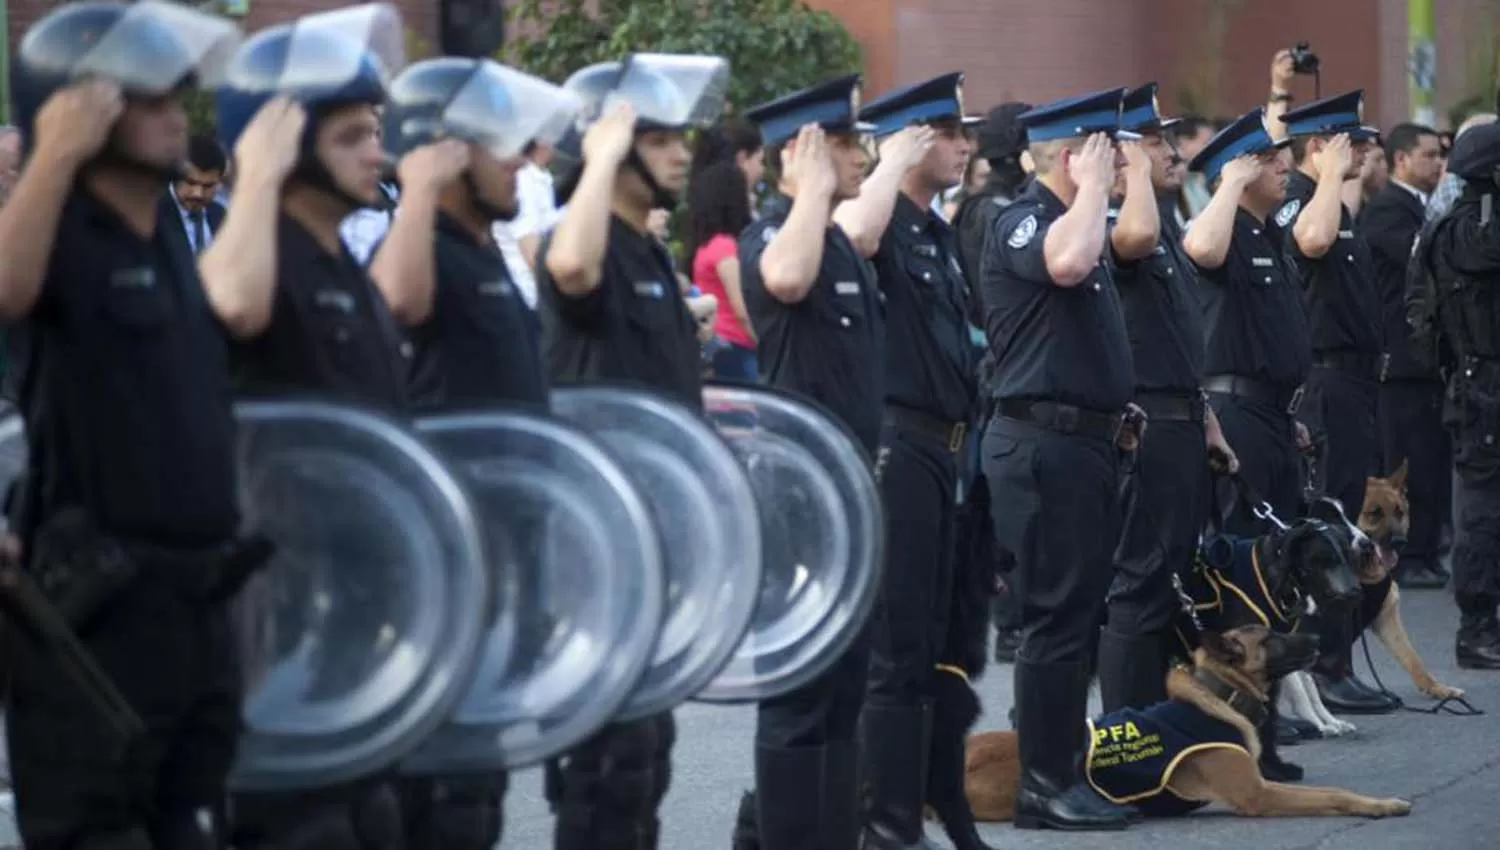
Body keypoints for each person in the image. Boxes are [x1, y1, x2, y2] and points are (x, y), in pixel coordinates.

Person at [0, 3, 256, 848]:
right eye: (147, 98)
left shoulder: (163, 238)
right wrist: (56, 149)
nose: (173, 113)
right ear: (84, 106)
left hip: (195, 608)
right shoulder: (57, 231)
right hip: (100, 613)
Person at [205, 8, 415, 846]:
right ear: (289, 145)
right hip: (282, 627)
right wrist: (254, 178)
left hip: (363, 612)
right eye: (352, 136)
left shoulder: (345, 268)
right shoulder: (259, 257)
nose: (378, 152)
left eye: (376, 132)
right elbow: (228, 306)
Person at [364, 56, 581, 849]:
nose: (524, 161)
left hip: (507, 552)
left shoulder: (484, 251)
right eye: (501, 147)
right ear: (447, 152)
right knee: (439, 795)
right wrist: (418, 187)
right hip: (448, 564)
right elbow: (394, 299)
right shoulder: (429, 246)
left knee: (478, 789)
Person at [536, 52, 728, 850]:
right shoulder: (583, 243)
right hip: (595, 549)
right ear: (609, 146)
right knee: (601, 771)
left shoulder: (648, 251)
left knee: (646, 760)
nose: (682, 152)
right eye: (659, 138)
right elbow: (572, 266)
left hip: (655, 537)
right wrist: (605, 149)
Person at [981, 88, 1141, 832]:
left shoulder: (1074, 218)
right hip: (1042, 444)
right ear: (1073, 157)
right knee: (1053, 621)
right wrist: (1099, 186)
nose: (1116, 160)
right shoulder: (1022, 219)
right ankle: (1044, 785)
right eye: (1104, 150)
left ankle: (1062, 769)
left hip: (1084, 442)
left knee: (1077, 616)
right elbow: (1070, 265)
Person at [735, 72, 882, 850]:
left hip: (853, 486)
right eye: (849, 145)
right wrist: (809, 190)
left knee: (844, 688)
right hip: (800, 493)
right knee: (799, 689)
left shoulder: (835, 240)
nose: (863, 157)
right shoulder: (775, 233)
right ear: (807, 151)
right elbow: (784, 280)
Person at [851, 71, 991, 850]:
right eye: (947, 131)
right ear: (907, 140)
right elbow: (859, 239)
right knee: (897, 648)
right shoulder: (881, 220)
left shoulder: (938, 232)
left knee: (938, 647)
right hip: (897, 449)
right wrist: (885, 162)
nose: (965, 144)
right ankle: (885, 823)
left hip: (947, 454)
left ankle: (922, 812)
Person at [1181, 107, 1312, 782]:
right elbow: (1198, 250)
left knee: (1275, 574)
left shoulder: (1265, 235)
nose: (1288, 167)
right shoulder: (1223, 227)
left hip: (1269, 416)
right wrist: (1225, 184)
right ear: (1243, 168)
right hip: (1234, 413)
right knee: (1247, 580)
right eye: (1273, 159)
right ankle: (1243, 726)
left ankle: (1265, 725)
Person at [1100, 83, 1238, 713]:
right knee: (1142, 582)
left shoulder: (1166, 216)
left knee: (1173, 577)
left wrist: (1208, 422)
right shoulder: (1124, 222)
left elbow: (1180, 343)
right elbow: (1127, 243)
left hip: (1184, 419)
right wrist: (1132, 174)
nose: (1173, 151)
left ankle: (1166, 725)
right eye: (1154, 141)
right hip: (1148, 424)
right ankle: (1132, 733)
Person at [1271, 91, 1394, 716]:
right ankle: (1326, 662)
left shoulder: (1336, 203)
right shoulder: (1302, 197)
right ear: (1318, 146)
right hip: (1327, 383)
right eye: (1351, 141)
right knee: (1332, 521)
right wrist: (1325, 178)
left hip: (1356, 384)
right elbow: (1310, 239)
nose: (1365, 150)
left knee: (1346, 518)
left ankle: (1338, 657)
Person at [1408, 122, 1500, 670]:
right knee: (1485, 512)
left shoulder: (1464, 218)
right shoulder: (1470, 228)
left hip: (1481, 385)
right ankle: (1479, 626)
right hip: (1482, 387)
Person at [951, 100, 1032, 664]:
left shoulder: (984, 208)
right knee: (1003, 502)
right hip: (1002, 366)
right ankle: (1008, 615)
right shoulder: (994, 212)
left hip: (997, 364)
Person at [1360, 122, 1450, 590]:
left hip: (1424, 362)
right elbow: (1423, 259)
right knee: (1406, 461)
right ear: (1401, 160)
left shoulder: (1417, 207)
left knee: (1431, 460)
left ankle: (1427, 550)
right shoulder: (1386, 211)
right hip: (1398, 362)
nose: (1439, 163)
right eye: (1430, 154)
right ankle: (1406, 553)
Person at [686, 160, 757, 379]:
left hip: (717, 340)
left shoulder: (705, 246)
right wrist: (761, 342)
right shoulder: (725, 248)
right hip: (736, 344)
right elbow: (741, 309)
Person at [168, 133, 228, 253]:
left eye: (208, 186)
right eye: (190, 182)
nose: (198, 193)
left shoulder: (221, 217)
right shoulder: (151, 216)